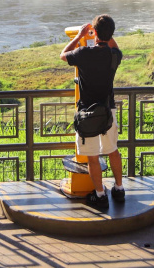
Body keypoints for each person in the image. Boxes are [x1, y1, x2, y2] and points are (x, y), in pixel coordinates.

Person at [59, 14, 125, 210]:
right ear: (111, 34)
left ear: (94, 33)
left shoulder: (83, 53)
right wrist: (103, 33)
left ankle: (100, 195)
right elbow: (115, 47)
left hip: (86, 113)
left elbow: (63, 54)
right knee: (113, 151)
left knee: (92, 156)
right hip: (108, 110)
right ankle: (119, 189)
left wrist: (79, 35)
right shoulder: (114, 55)